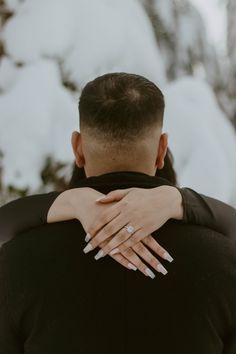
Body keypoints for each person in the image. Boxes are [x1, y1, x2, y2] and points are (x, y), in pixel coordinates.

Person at [0, 72, 236, 353]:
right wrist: (181, 201)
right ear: (162, 150)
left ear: (77, 148)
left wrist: (64, 202)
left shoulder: (15, 263)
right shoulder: (225, 262)